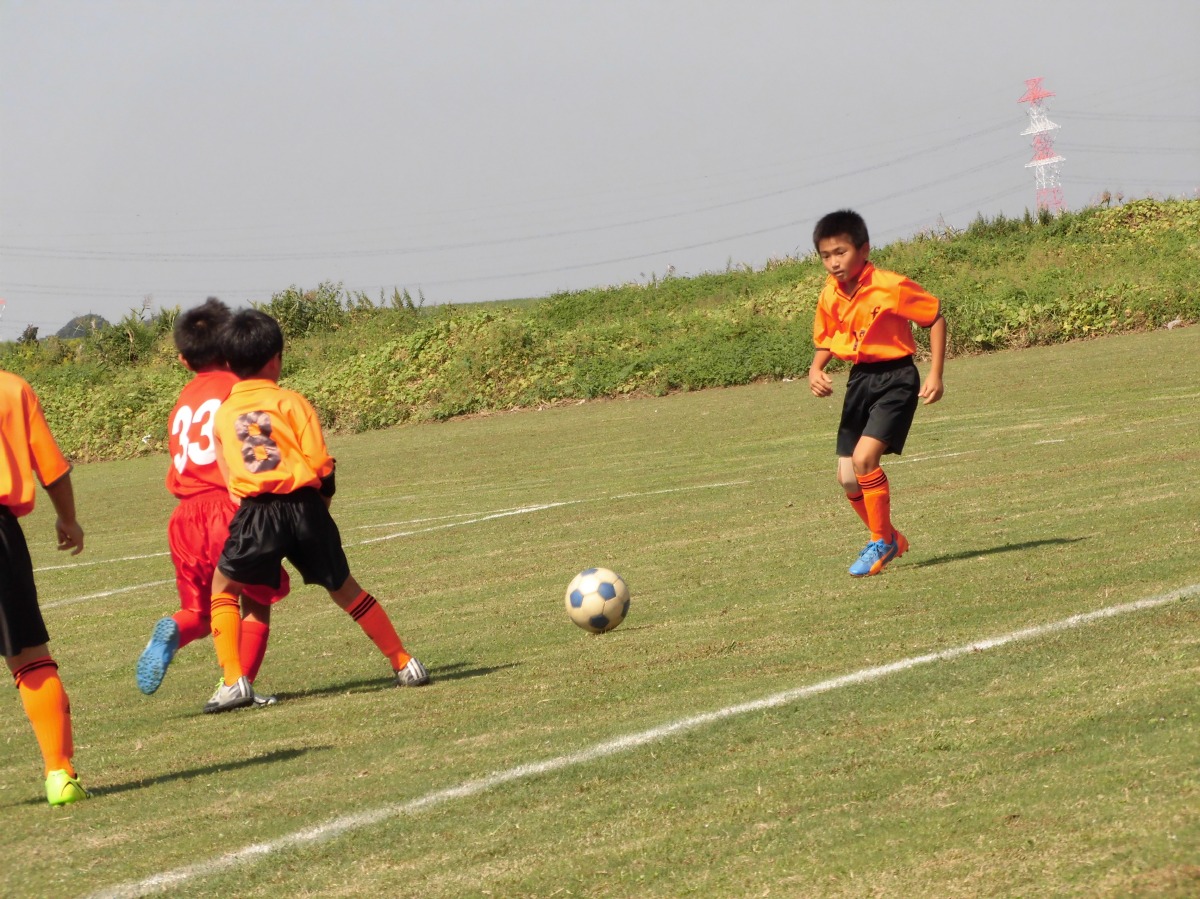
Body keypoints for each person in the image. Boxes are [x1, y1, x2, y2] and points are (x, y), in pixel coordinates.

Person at [202, 309, 429, 713]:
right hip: (305, 506)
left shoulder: (223, 415)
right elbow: (322, 465)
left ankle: (234, 681)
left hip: (258, 511)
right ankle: (403, 662)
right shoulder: (292, 402)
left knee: (223, 588)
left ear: (229, 364)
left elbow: (231, 478)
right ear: (275, 359)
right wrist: (319, 508)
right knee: (346, 589)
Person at [136, 298, 289, 703]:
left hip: (185, 518)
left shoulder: (182, 400)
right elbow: (258, 454)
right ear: (232, 346)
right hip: (228, 507)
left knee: (201, 613)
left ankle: (175, 628)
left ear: (184, 361)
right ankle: (236, 684)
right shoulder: (238, 389)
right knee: (256, 599)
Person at [808, 209, 946, 577]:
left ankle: (880, 540)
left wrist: (935, 373)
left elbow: (934, 318)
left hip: (896, 377)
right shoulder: (830, 294)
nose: (834, 262)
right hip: (860, 380)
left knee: (865, 459)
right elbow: (827, 339)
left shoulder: (890, 285)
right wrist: (816, 368)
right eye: (825, 256)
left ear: (864, 249)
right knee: (847, 477)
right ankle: (890, 537)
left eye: (841, 252)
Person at [0, 368, 89, 805]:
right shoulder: (11, 388)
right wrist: (68, 518)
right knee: (29, 655)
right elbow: (51, 468)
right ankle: (59, 773)